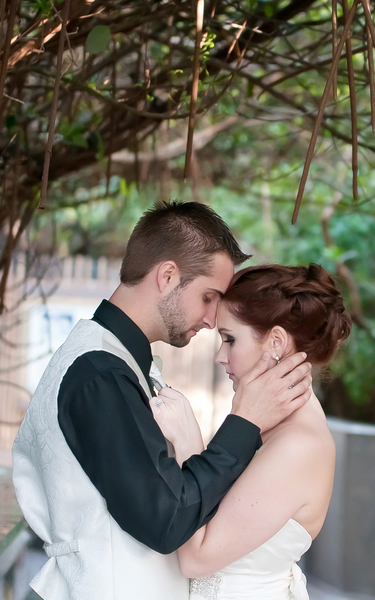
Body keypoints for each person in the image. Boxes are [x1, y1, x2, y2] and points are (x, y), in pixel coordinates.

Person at [12, 201, 313, 600]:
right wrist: (244, 423)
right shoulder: (101, 374)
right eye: (208, 297)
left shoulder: (114, 361)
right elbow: (167, 520)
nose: (211, 320)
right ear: (168, 275)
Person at [151, 263, 351, 600]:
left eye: (229, 339)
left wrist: (188, 442)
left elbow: (197, 559)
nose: (220, 356)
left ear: (275, 341)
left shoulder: (298, 446)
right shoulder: (267, 425)